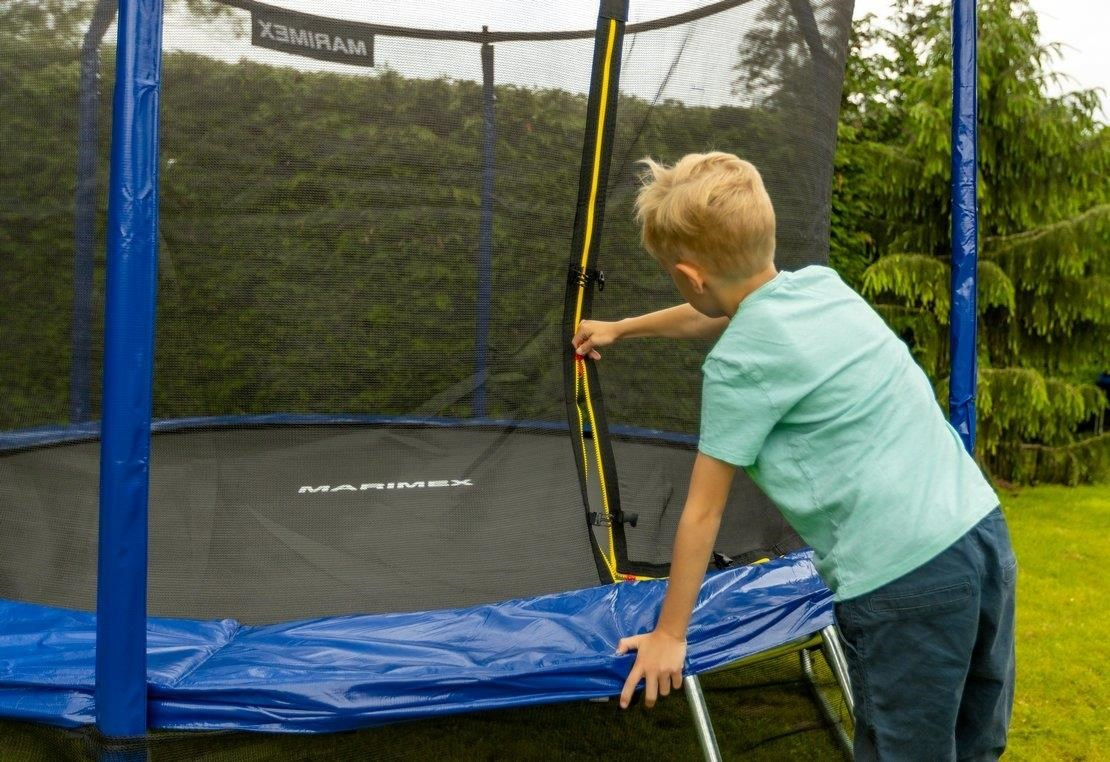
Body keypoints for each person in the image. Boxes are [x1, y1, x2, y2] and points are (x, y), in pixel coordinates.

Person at [571, 152, 1016, 760]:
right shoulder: (821, 288)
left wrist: (670, 634)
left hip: (901, 579)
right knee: (975, 743)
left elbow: (702, 513)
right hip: (980, 536)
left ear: (690, 277)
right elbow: (721, 313)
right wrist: (622, 328)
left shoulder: (737, 367)